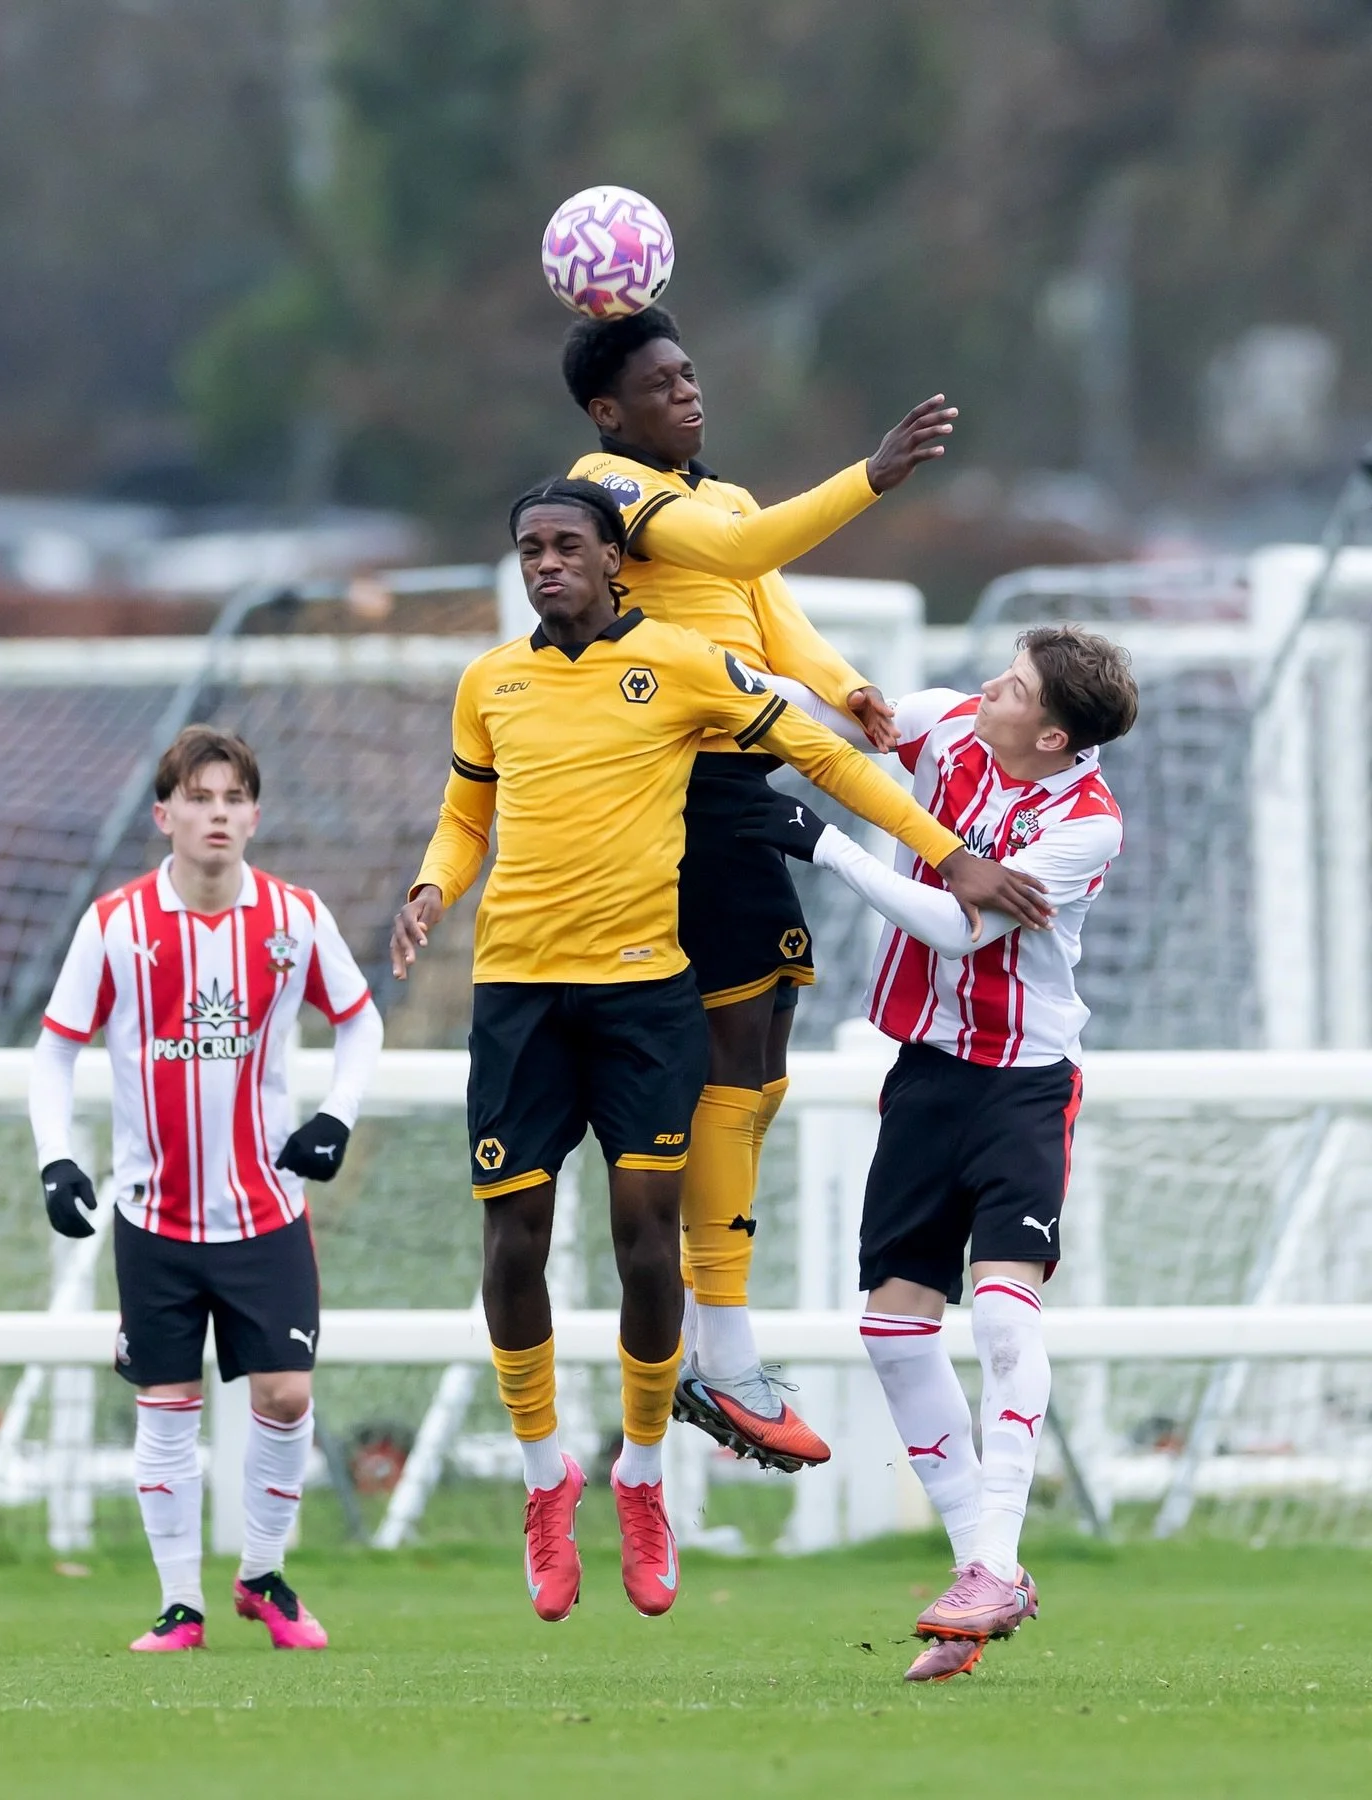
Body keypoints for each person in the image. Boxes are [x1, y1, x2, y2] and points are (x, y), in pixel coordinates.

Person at [390, 479, 1048, 1624]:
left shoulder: (687, 666)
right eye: (531, 550)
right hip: (518, 994)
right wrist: (431, 886)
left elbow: (828, 756)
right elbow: (467, 814)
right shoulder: (490, 680)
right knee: (513, 1242)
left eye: (567, 547)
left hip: (645, 994)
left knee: (648, 1243)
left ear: (613, 562)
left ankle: (642, 1477)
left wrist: (950, 855)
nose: (547, 565)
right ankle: (550, 1481)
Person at [563, 305, 962, 1471]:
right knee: (717, 1062)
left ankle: (714, 1347)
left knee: (758, 1059)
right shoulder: (608, 486)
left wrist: (849, 687)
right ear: (607, 409)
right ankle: (717, 1355)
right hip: (677, 785)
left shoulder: (719, 491)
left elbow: (770, 603)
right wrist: (871, 478)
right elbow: (737, 560)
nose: (689, 393)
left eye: (692, 373)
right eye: (662, 380)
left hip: (741, 789)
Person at [737, 625, 1138, 1682]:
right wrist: (722, 673)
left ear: (1049, 733)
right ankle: (979, 1577)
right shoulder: (952, 727)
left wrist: (819, 841)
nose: (984, 688)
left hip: (1023, 1082)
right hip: (924, 1071)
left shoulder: (1084, 825)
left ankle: (996, 1561)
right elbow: (829, 718)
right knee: (893, 1331)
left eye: (1010, 685)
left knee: (1004, 1311)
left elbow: (960, 929)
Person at [28, 726, 383, 1653]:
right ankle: (179, 1604)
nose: (216, 813)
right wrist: (56, 1159)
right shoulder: (115, 924)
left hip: (265, 1212)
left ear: (254, 815)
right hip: (154, 1217)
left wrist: (335, 1117)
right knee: (167, 1405)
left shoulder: (295, 917)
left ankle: (262, 1578)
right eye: (199, 798)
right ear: (165, 814)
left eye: (232, 799)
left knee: (285, 1394)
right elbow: (55, 1052)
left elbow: (361, 1023)